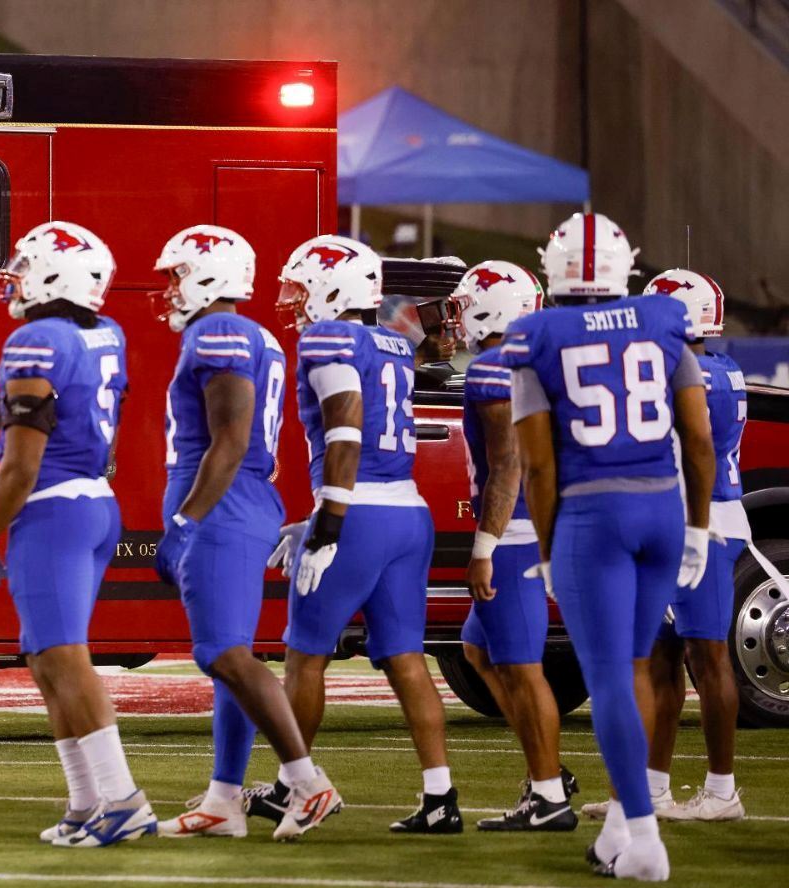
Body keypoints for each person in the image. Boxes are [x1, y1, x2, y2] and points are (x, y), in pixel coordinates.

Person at [501, 213, 716, 881]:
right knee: (641, 663)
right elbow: (700, 441)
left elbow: (537, 467)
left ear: (553, 268)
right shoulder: (663, 322)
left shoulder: (536, 337)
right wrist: (700, 526)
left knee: (613, 678)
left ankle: (646, 843)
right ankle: (623, 826)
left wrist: (546, 547)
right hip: (662, 507)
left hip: (595, 517)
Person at [0, 221, 155, 848]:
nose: (14, 276)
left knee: (67, 659)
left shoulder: (36, 340)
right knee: (46, 659)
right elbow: (114, 425)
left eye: (25, 264)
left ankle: (123, 800)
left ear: (56, 274)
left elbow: (20, 463)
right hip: (94, 503)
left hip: (54, 508)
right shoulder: (107, 333)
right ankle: (84, 802)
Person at [147, 226, 340, 842]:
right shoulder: (253, 334)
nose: (170, 287)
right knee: (229, 655)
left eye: (178, 273)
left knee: (222, 653)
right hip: (240, 498)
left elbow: (229, 442)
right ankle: (224, 799)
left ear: (208, 275)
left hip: (224, 502)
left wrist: (185, 521)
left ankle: (308, 783)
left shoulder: (218, 330)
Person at [266, 235, 461, 834]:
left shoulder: (330, 338)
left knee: (305, 657)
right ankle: (440, 797)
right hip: (407, 512)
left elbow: (346, 432)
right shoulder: (390, 343)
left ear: (334, 287)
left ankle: (296, 789)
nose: (295, 301)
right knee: (406, 659)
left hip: (359, 515)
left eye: (302, 286)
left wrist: (328, 520)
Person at [581, 269, 748, 823]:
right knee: (661, 655)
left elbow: (691, 449)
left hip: (701, 522)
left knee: (708, 654)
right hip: (686, 520)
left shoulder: (695, 374)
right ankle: (651, 789)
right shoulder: (717, 368)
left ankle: (723, 790)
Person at [448, 261, 579, 831]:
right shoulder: (534, 360)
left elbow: (508, 464)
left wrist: (484, 545)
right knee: (477, 650)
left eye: (466, 303)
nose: (457, 316)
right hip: (536, 528)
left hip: (516, 535)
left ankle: (548, 796)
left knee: (523, 669)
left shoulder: (492, 369)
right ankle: (547, 769)